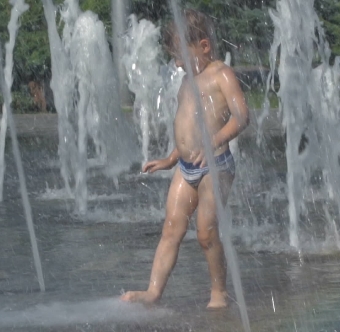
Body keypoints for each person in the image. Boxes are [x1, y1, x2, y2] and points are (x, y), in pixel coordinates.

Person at [120, 9, 250, 309]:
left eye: (181, 56)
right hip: (186, 165)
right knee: (171, 228)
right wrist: (170, 158)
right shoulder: (188, 79)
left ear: (204, 46)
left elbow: (242, 116)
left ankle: (219, 292)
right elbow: (188, 128)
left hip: (215, 166)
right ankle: (153, 292)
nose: (177, 64)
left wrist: (214, 140)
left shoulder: (221, 75)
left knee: (205, 232)